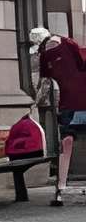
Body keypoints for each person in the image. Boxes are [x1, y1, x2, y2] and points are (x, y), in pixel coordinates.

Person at [36, 29, 86, 206]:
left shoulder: (44, 56)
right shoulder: (69, 43)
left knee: (66, 143)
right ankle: (62, 187)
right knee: (69, 143)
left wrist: (35, 104)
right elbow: (82, 63)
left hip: (69, 103)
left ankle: (61, 187)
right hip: (79, 98)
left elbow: (44, 85)